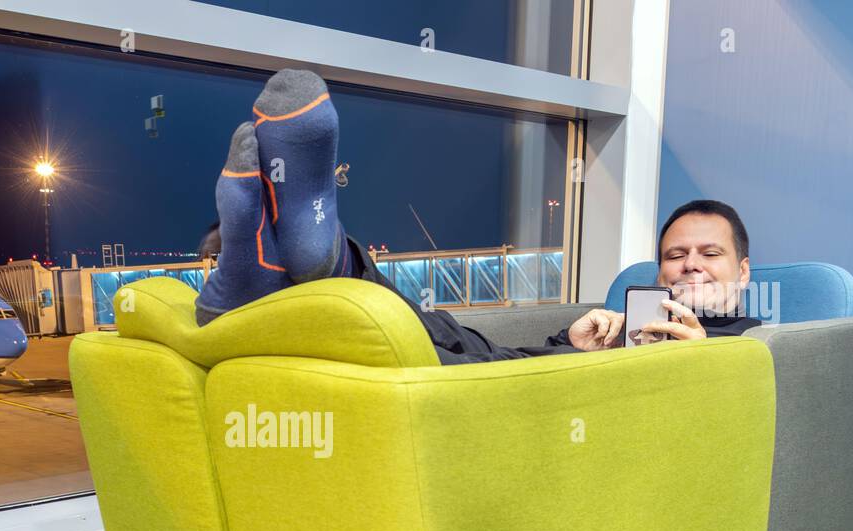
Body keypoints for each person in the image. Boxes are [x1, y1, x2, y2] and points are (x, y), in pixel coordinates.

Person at [195, 69, 760, 361]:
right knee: (448, 332)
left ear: (743, 272)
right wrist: (574, 339)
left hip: (576, 406)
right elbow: (546, 352)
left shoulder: (755, 344)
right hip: (558, 368)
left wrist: (705, 365)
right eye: (675, 255)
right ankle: (327, 260)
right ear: (658, 270)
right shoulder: (630, 322)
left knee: (445, 360)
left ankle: (259, 271)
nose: (690, 265)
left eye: (710, 254)